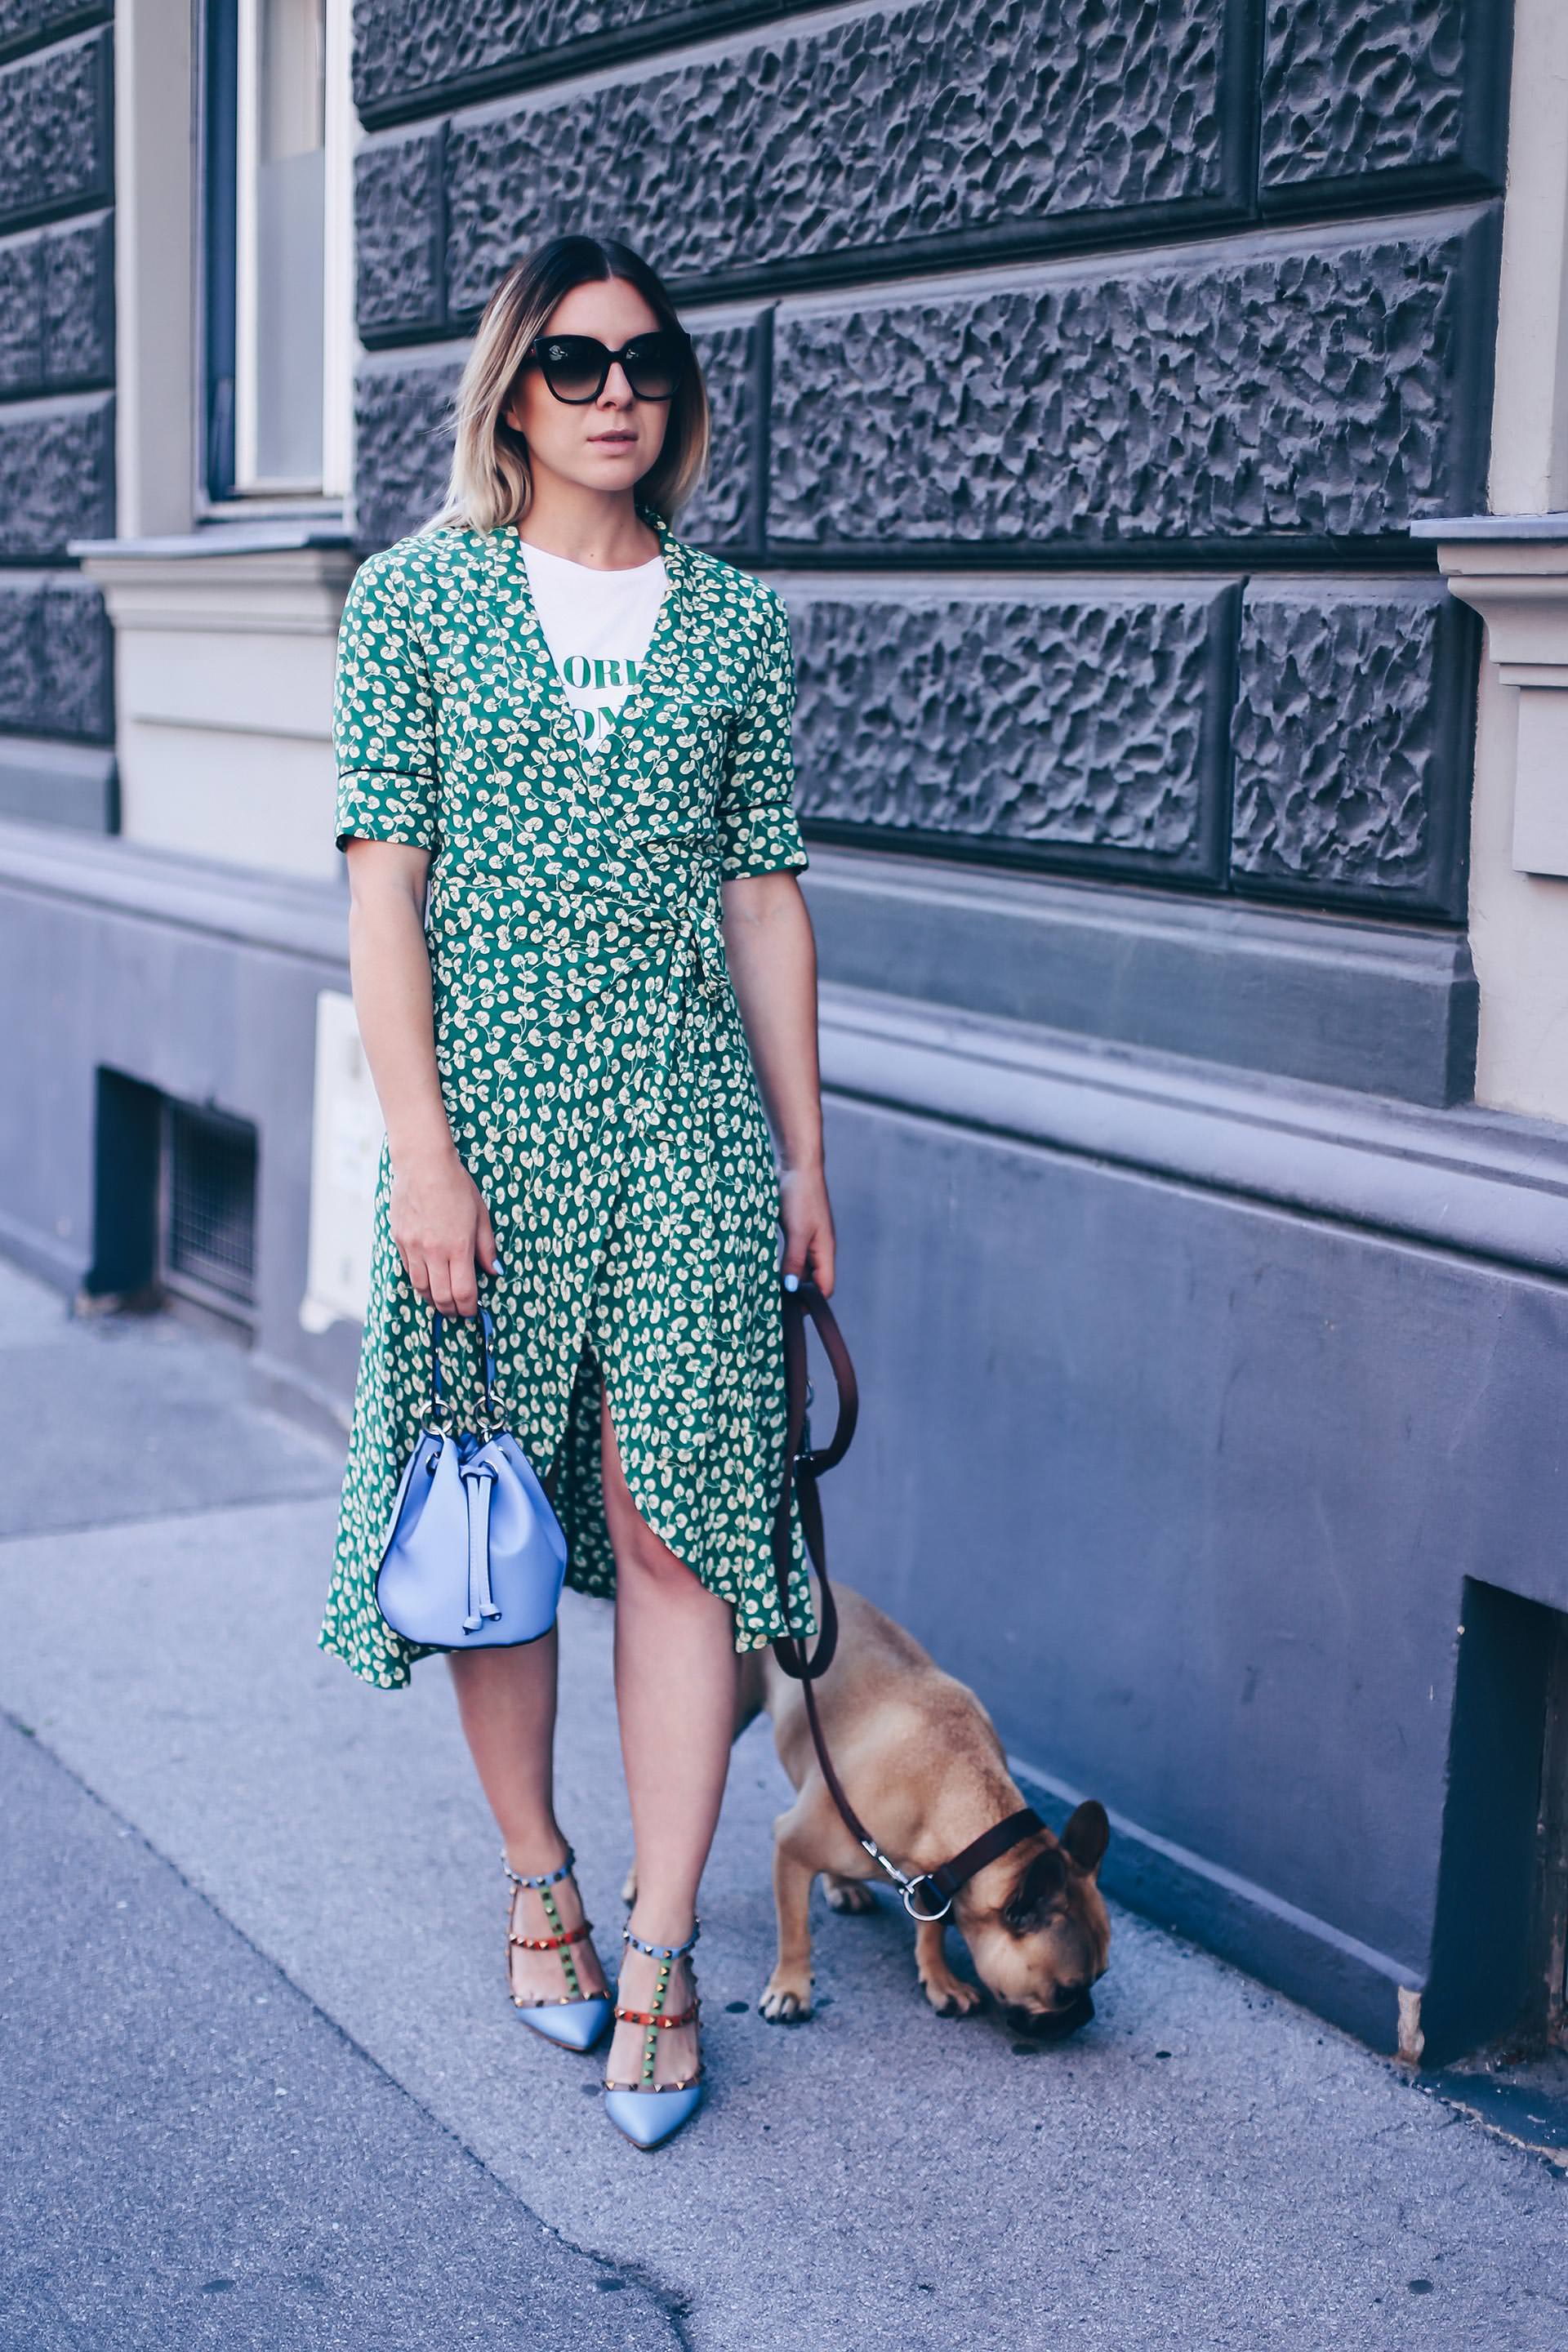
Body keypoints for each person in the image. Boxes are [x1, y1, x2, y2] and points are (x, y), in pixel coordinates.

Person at [319, 233, 835, 2151]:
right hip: (496, 1147)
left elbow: (766, 897)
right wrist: (421, 1156)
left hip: (693, 1137)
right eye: (576, 362)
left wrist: (803, 1154)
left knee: (680, 1527)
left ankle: (663, 1939)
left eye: (647, 365)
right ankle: (538, 1873)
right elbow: (385, 888)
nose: (619, 393)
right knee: (503, 1529)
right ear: (512, 394)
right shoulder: (418, 603)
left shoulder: (733, 624)